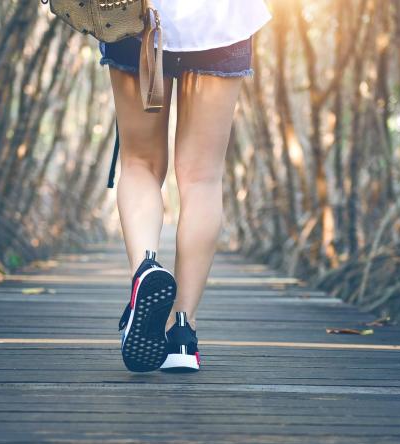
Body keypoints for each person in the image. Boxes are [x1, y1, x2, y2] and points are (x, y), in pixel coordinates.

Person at [98, 0, 272, 373]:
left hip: (133, 17)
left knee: (140, 163)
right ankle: (182, 333)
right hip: (223, 21)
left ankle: (144, 272)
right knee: (202, 178)